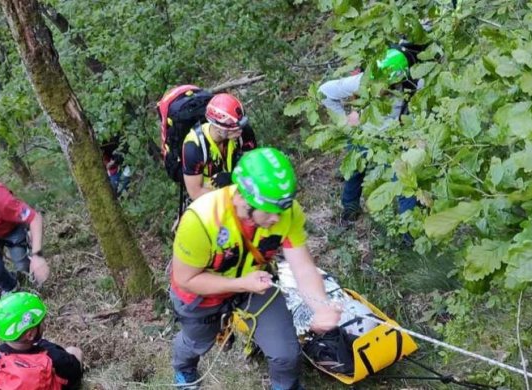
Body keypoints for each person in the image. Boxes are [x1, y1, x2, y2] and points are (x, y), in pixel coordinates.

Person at [170, 147, 341, 390]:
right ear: (243, 199)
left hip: (255, 284)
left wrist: (321, 305)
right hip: (201, 295)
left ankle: (286, 386)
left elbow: (302, 267)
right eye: (270, 213)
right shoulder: (201, 219)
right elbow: (186, 279)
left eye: (282, 211)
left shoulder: (286, 212)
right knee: (198, 342)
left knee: (285, 352)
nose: (278, 220)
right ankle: (184, 369)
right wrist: (241, 283)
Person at [318, 43, 424, 224]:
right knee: (354, 171)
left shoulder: (415, 84)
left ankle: (410, 232)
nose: (378, 89)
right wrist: (344, 121)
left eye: (384, 85)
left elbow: (421, 113)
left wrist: (416, 136)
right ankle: (350, 208)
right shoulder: (360, 81)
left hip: (396, 138)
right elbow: (325, 92)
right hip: (364, 134)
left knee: (405, 180)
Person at [181, 93, 256, 202]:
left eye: (241, 124)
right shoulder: (194, 147)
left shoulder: (244, 132)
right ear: (217, 128)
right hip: (210, 197)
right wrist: (229, 198)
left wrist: (232, 177)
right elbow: (195, 193)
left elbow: (253, 169)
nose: (239, 130)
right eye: (233, 128)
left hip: (238, 190)